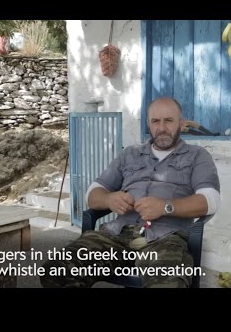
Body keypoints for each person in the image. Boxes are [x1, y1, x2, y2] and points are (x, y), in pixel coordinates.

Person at [40, 97, 220, 288]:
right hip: (116, 235)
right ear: (149, 124)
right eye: (155, 121)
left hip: (166, 239)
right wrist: (109, 199)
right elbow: (92, 194)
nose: (162, 127)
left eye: (169, 120)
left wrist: (166, 206)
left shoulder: (197, 155)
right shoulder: (130, 154)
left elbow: (211, 200)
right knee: (57, 272)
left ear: (181, 124)